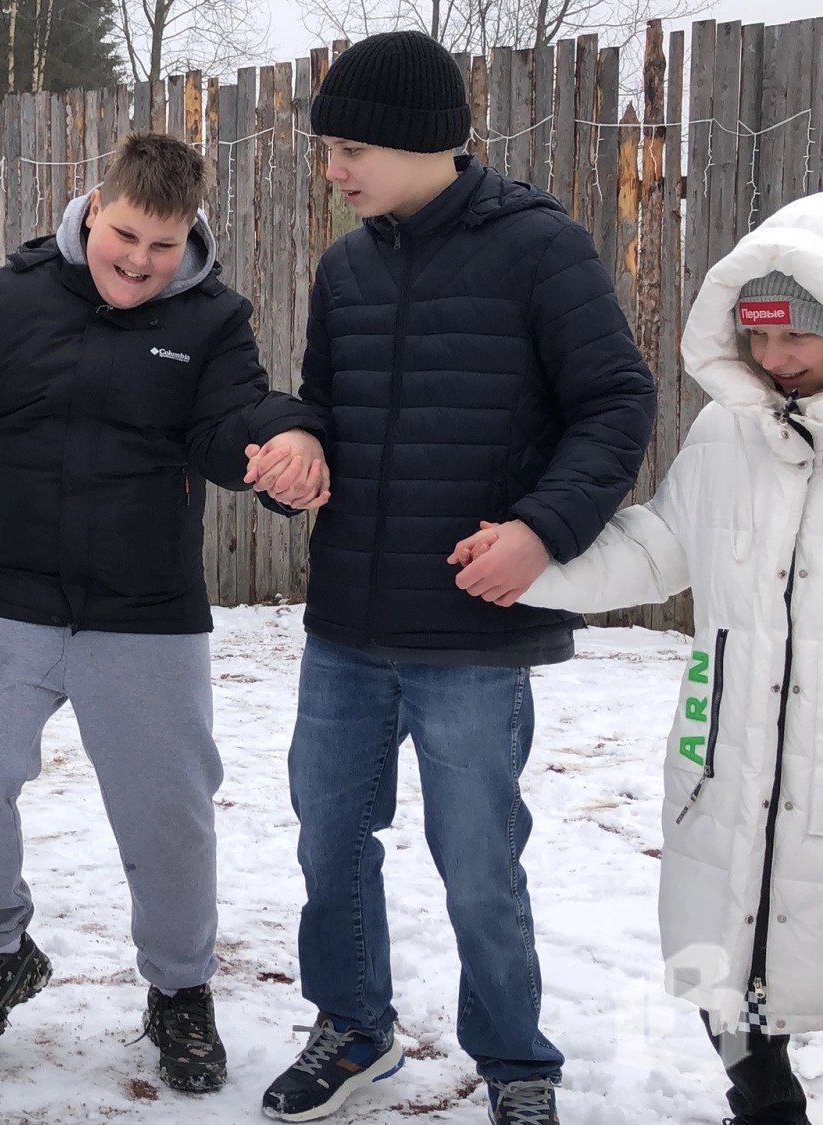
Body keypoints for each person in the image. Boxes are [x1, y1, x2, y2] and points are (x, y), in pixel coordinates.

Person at [263, 31, 656, 1125]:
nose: (332, 169)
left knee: (478, 862)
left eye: (349, 148)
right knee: (327, 838)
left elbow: (616, 403)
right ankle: (351, 1029)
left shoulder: (538, 248)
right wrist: (294, 446)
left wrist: (541, 531)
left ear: (421, 142)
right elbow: (318, 404)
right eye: (324, 148)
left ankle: (515, 1061)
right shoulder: (344, 265)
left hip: (473, 634)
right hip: (346, 621)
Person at [0, 130, 328, 1093]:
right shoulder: (2, 299)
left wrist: (280, 448)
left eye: (164, 246)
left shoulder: (215, 321)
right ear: (94, 205)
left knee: (167, 812)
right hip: (8, 589)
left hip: (146, 609)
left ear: (191, 239)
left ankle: (179, 992)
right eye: (127, 235)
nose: (140, 261)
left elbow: (234, 424)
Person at [472, 191, 823, 1125]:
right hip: (733, 752)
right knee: (728, 948)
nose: (777, 360)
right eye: (760, 336)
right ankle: (763, 1102)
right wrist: (535, 565)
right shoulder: (727, 434)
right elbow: (661, 545)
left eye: (801, 337)